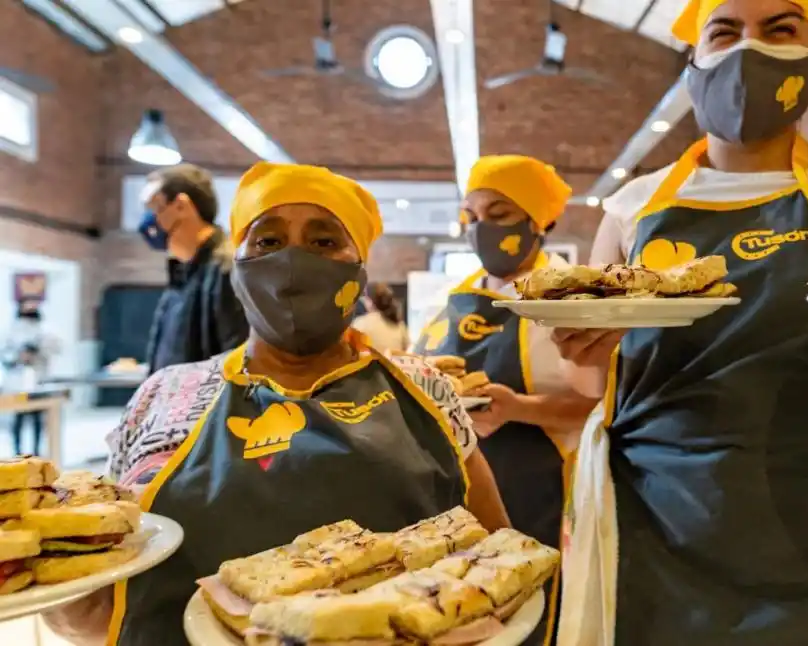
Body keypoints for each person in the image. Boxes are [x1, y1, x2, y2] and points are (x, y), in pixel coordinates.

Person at [554, 1, 808, 644]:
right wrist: (585, 354)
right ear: (695, 59)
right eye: (724, 31)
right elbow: (594, 385)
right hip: (662, 527)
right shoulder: (633, 208)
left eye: (780, 30)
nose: (748, 49)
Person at [43, 162, 509, 646]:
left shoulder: (425, 390)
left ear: (360, 268)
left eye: (324, 241)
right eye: (267, 241)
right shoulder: (163, 398)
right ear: (238, 265)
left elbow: (499, 561)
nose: (292, 260)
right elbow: (98, 606)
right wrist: (57, 587)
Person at [413, 154, 599, 646]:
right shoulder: (455, 299)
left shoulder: (574, 300)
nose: (480, 230)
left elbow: (606, 405)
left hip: (543, 495)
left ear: (542, 221)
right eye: (471, 217)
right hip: (453, 500)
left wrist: (518, 408)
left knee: (528, 616)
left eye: (498, 215)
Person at [139, 164, 249, 374]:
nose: (147, 219)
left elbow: (239, 369)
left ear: (181, 206)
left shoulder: (229, 271)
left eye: (153, 207)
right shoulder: (183, 274)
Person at [2, 306, 59, 456]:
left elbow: (55, 347)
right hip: (18, 383)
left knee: (37, 419)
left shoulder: (44, 330)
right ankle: (17, 451)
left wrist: (37, 351)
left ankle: (36, 452)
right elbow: (6, 355)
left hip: (38, 380)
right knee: (18, 420)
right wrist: (19, 356)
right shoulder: (13, 331)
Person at [351, 282, 410, 353]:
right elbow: (407, 347)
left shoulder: (360, 323)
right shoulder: (399, 323)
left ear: (369, 301)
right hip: (394, 363)